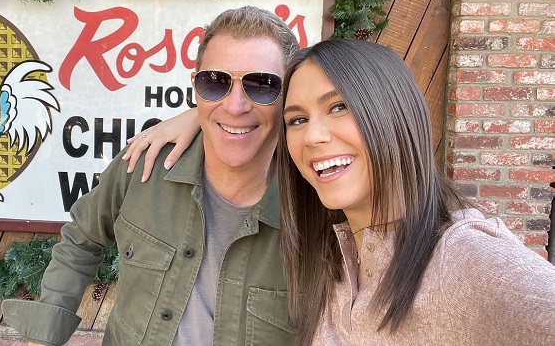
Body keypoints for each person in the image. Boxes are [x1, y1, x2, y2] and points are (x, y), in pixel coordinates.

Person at [130, 39, 555, 346]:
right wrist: (202, 116)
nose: (314, 136)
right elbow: (246, 122)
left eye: (339, 107)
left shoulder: (464, 258)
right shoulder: (330, 257)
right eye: (296, 119)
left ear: (393, 113)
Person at [1, 6, 300, 346]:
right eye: (214, 82)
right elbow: (81, 238)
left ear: (289, 94)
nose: (235, 106)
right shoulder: (144, 164)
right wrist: (45, 333)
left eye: (261, 85)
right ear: (195, 85)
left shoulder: (315, 206)